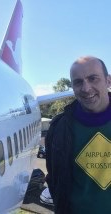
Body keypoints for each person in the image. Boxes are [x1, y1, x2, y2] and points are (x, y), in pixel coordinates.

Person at [45, 56, 111, 214]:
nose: (86, 88)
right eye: (78, 82)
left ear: (108, 81)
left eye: (93, 79)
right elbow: (54, 179)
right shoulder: (58, 129)